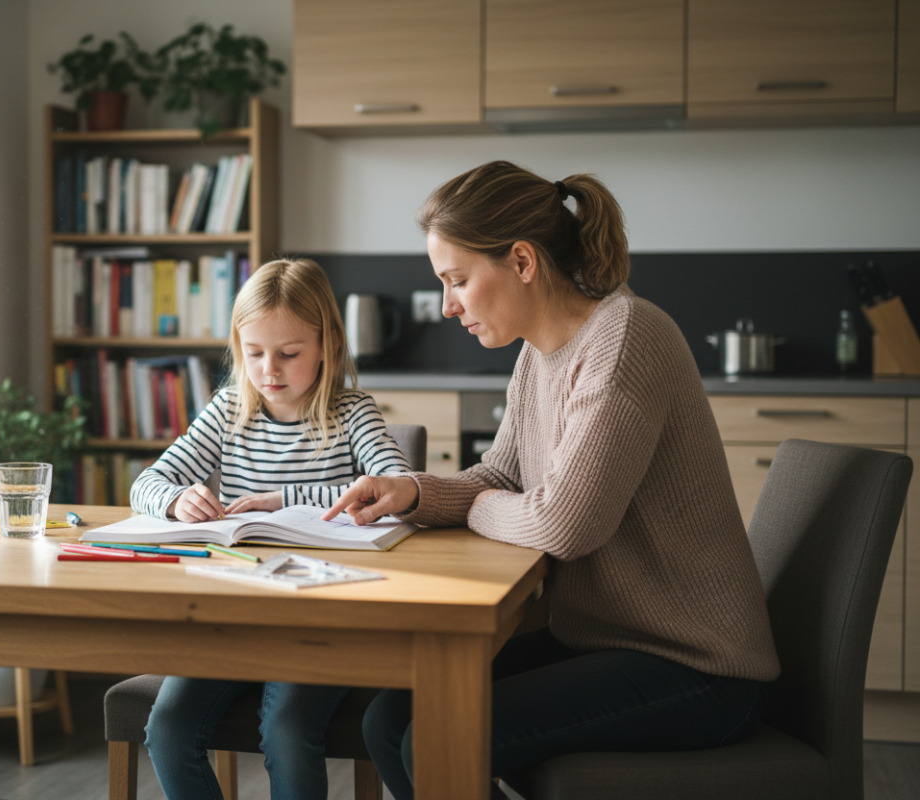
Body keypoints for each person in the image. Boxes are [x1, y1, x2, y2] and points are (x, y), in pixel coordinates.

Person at [324, 161, 781, 800]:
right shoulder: (538, 354)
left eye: (458, 280)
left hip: (695, 665)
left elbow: (565, 524)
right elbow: (501, 474)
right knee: (389, 719)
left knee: (432, 737)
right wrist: (419, 493)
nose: (448, 305)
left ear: (522, 261)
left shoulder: (625, 337)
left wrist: (480, 505)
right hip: (607, 642)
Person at [131, 257, 412, 800]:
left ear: (327, 344)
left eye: (288, 353)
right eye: (254, 352)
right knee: (167, 728)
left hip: (324, 619)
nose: (269, 371)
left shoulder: (353, 412)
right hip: (237, 614)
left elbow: (394, 491)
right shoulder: (230, 409)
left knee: (286, 728)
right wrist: (177, 500)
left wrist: (284, 500)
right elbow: (147, 482)